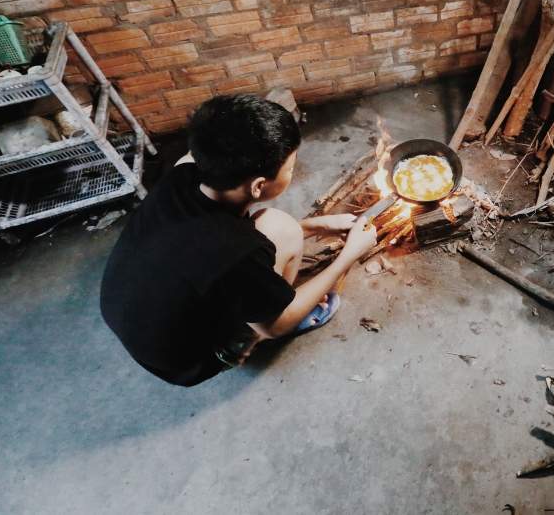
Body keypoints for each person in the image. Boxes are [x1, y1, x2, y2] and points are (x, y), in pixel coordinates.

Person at [100, 94, 378, 387]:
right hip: (190, 360)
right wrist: (349, 255)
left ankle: (259, 303)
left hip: (135, 315)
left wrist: (315, 226)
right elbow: (275, 325)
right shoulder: (237, 251)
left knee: (281, 227)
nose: (293, 172)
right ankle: (249, 341)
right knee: (282, 235)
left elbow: (212, 252)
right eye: (291, 168)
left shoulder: (182, 172)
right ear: (258, 185)